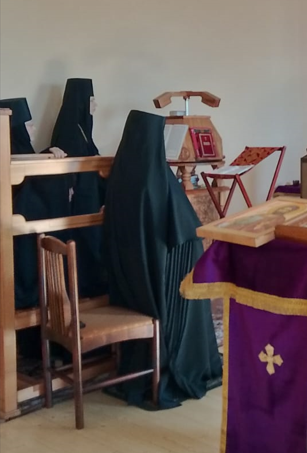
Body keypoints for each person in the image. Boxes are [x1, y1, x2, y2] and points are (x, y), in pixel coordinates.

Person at [103, 110, 222, 408]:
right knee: (189, 286)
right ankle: (183, 363)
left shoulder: (120, 175)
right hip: (160, 281)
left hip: (132, 284)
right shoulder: (154, 178)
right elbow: (185, 230)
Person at [0, 98, 70, 358]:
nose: (33, 129)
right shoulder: (10, 160)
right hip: (19, 251)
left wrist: (46, 156)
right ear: (16, 128)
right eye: (27, 125)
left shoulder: (23, 154)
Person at [50, 78, 107, 299]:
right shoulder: (70, 130)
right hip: (80, 199)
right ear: (82, 102)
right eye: (92, 100)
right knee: (85, 243)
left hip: (89, 195)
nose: (95, 105)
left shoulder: (82, 128)